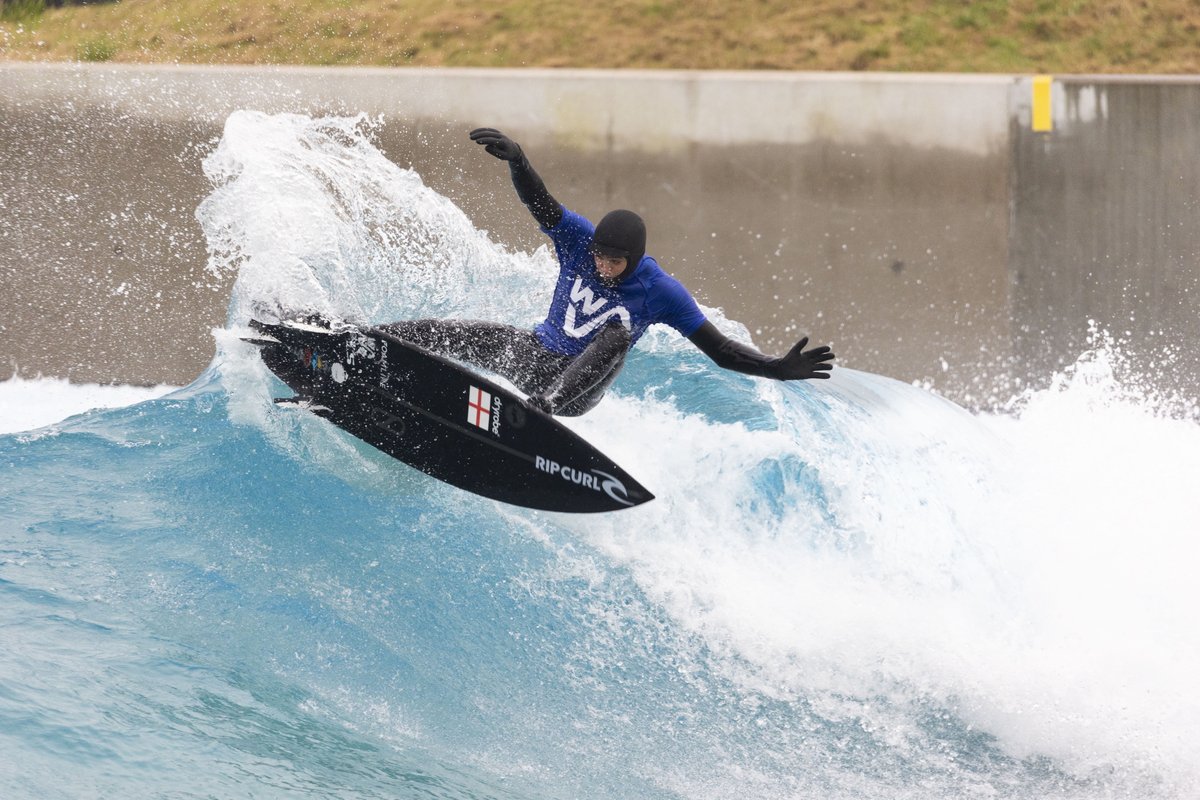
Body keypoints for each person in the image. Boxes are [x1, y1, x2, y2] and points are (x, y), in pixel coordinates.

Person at [376, 128, 834, 417]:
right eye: (599, 257)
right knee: (448, 333)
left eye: (614, 262)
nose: (603, 266)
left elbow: (720, 351)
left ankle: (543, 410)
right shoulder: (578, 239)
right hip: (537, 354)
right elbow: (541, 202)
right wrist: (520, 161)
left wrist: (777, 368)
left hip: (575, 391)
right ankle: (364, 339)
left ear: (633, 260)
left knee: (617, 332)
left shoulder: (660, 292)